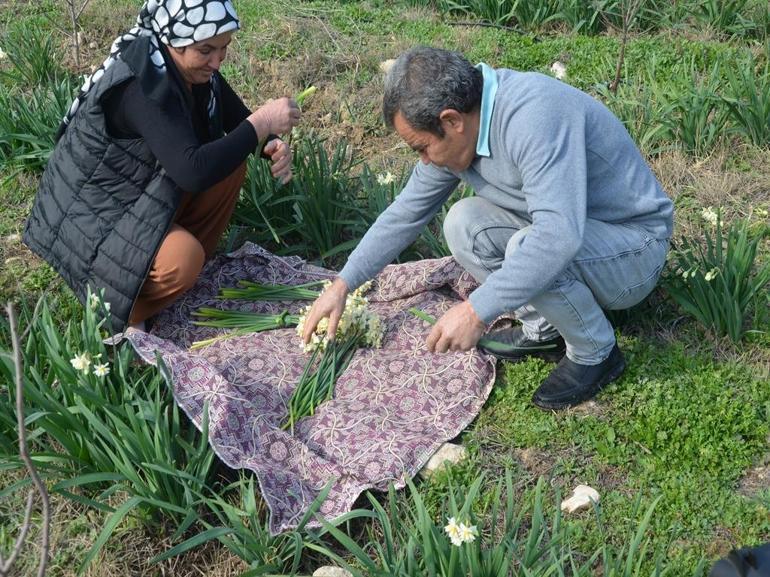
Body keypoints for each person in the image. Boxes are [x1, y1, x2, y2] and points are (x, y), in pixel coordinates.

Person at [301, 46, 673, 410]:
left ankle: (596, 351)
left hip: (632, 249)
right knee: (463, 223)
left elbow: (558, 236)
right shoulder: (464, 129)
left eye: (422, 147)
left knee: (530, 245)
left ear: (451, 121)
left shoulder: (532, 117)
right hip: (573, 235)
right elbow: (406, 213)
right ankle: (543, 330)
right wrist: (343, 284)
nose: (424, 160)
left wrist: (475, 311)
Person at [23, 0, 300, 332]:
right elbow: (192, 171)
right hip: (92, 219)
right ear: (173, 40)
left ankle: (158, 278)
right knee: (183, 259)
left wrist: (269, 144)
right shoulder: (142, 86)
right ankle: (125, 312)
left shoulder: (187, 68)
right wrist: (261, 123)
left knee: (228, 164)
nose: (217, 61)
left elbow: (236, 120)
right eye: (206, 50)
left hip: (135, 195)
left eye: (224, 49)